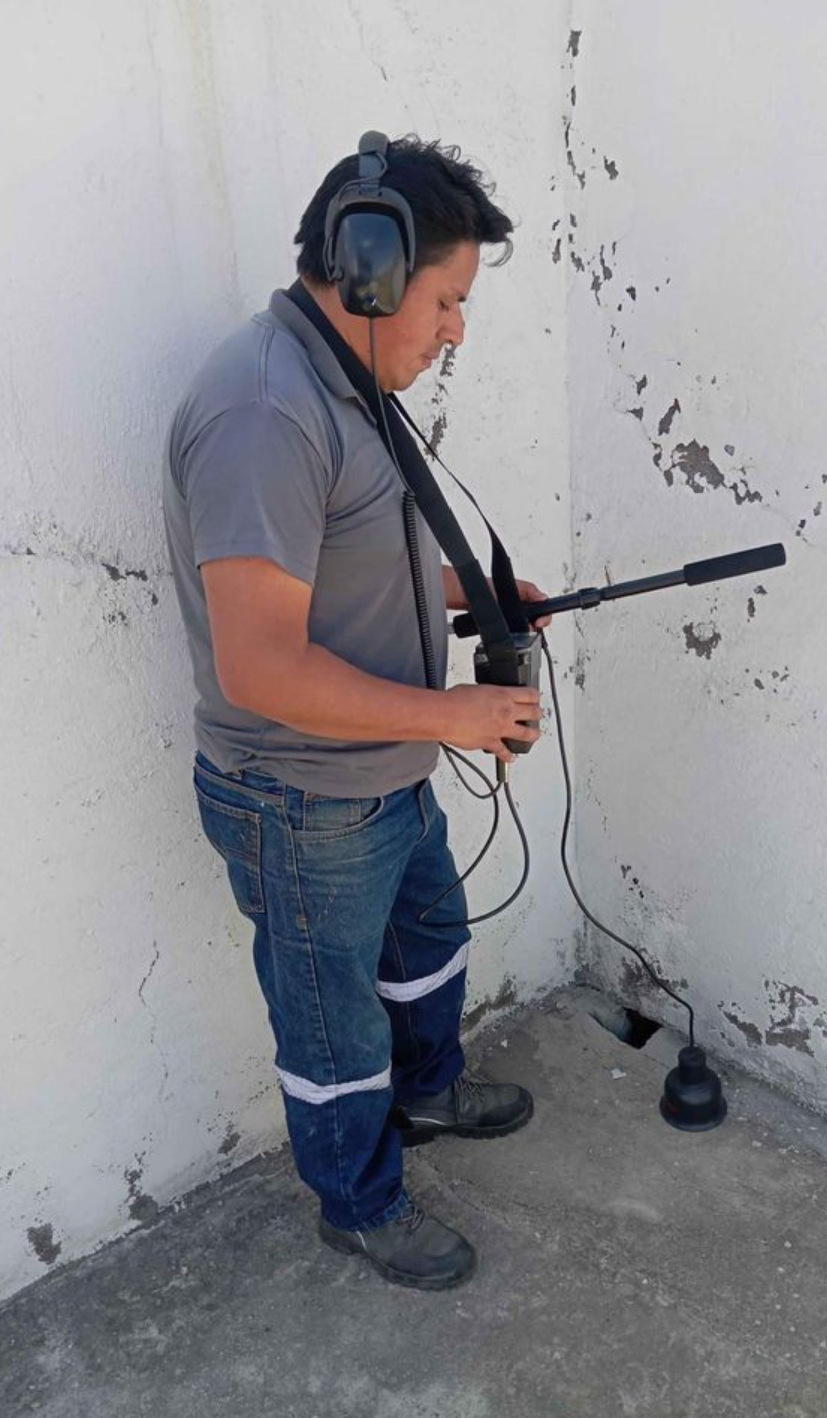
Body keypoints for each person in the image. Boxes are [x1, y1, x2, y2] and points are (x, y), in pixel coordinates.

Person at [163, 135, 548, 1292]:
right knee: (330, 1026)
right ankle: (359, 1204)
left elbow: (333, 566)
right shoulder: (265, 413)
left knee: (429, 940)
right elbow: (263, 666)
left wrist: (468, 594)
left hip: (384, 765)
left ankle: (427, 1089)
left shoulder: (347, 380)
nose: (455, 331)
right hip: (301, 798)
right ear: (368, 270)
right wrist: (453, 713)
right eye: (446, 300)